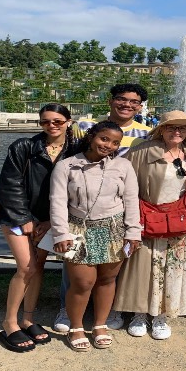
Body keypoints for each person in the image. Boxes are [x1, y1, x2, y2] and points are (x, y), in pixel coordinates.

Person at [54, 82, 150, 332]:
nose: (127, 105)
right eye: (122, 99)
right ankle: (68, 309)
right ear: (111, 100)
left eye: (133, 102)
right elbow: (68, 157)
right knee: (76, 271)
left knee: (109, 271)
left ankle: (107, 312)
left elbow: (133, 189)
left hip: (114, 209)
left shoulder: (147, 133)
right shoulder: (83, 126)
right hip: (81, 208)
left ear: (140, 107)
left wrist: (133, 227)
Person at [49, 121, 141, 352]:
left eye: (115, 143)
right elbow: (58, 202)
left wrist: (133, 232)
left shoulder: (123, 166)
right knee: (82, 282)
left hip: (113, 229)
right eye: (104, 139)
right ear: (91, 136)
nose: (108, 145)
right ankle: (76, 327)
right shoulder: (67, 166)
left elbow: (131, 201)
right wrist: (60, 233)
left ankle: (100, 324)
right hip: (77, 229)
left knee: (107, 280)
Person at [113, 111, 186, 340]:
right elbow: (123, 184)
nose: (177, 132)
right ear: (160, 129)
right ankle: (139, 313)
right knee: (142, 268)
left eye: (182, 129)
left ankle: (162, 315)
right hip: (147, 218)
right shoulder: (141, 151)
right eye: (171, 127)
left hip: (177, 220)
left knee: (172, 269)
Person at [0, 103, 78, 353]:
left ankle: (28, 319)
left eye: (57, 121)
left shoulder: (75, 150)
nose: (51, 126)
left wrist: (53, 221)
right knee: (26, 267)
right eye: (45, 122)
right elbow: (9, 185)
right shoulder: (24, 147)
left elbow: (77, 190)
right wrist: (24, 218)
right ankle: (9, 322)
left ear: (69, 122)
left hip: (50, 219)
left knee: (38, 267)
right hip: (17, 216)